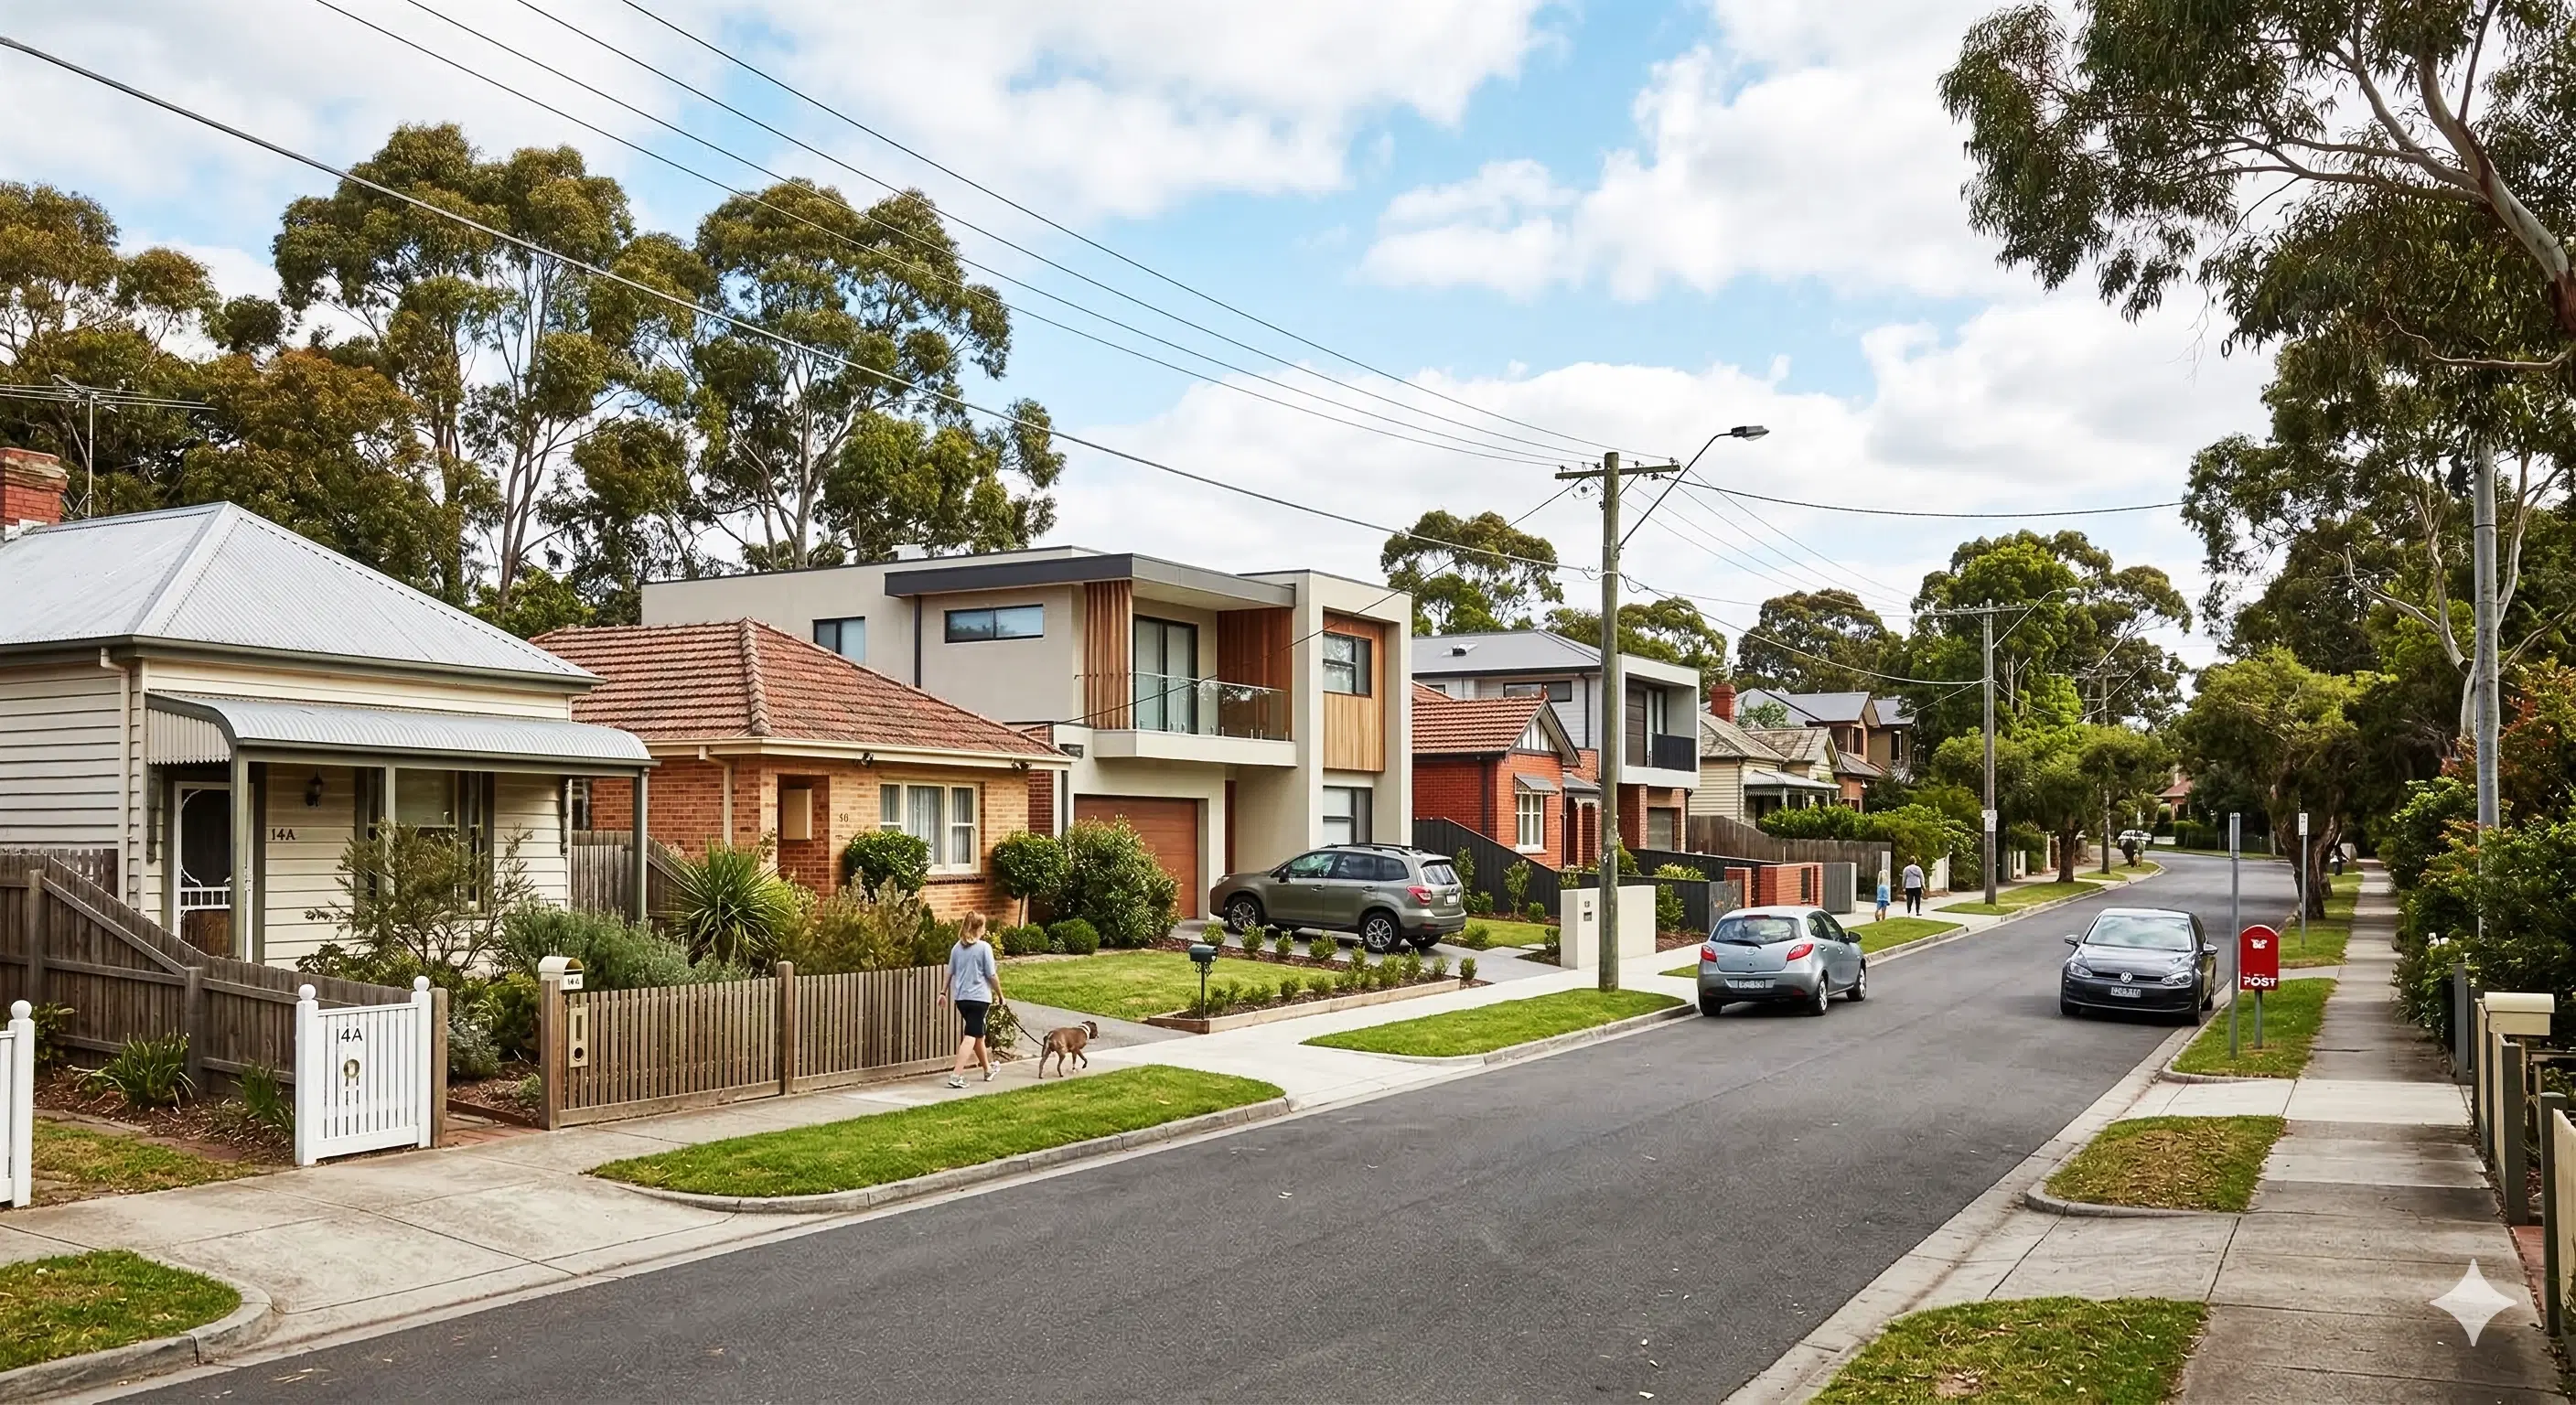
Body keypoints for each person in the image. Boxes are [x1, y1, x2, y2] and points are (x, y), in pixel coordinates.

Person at [942, 912, 1001, 1089]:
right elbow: (991, 974)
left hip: (962, 999)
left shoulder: (956, 948)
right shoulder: (984, 948)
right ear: (978, 928)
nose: (985, 929)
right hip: (979, 998)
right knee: (971, 1036)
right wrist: (1000, 994)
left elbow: (949, 972)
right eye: (983, 926)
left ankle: (988, 1069)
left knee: (978, 1035)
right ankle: (956, 1075)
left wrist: (943, 992)